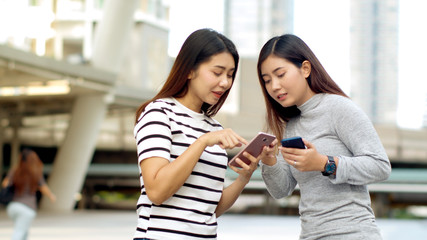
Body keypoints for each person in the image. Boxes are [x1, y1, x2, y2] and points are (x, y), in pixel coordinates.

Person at [256, 34, 391, 239]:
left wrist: (324, 163)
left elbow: (380, 166)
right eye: (267, 80)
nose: (274, 86)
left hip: (353, 233)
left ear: (306, 69)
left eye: (280, 74)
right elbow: (280, 190)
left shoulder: (339, 108)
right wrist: (269, 161)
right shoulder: (291, 126)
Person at [133, 28, 260, 240]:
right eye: (217, 72)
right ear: (189, 70)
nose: (225, 82)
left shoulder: (215, 128)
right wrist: (202, 142)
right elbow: (156, 192)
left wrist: (243, 178)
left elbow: (209, 209)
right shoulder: (159, 113)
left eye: (230, 75)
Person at [1, 148, 56, 240]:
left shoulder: (15, 171)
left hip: (13, 207)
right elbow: (43, 188)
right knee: (19, 231)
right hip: (27, 209)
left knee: (24, 231)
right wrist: (51, 196)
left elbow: (5, 184)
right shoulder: (35, 173)